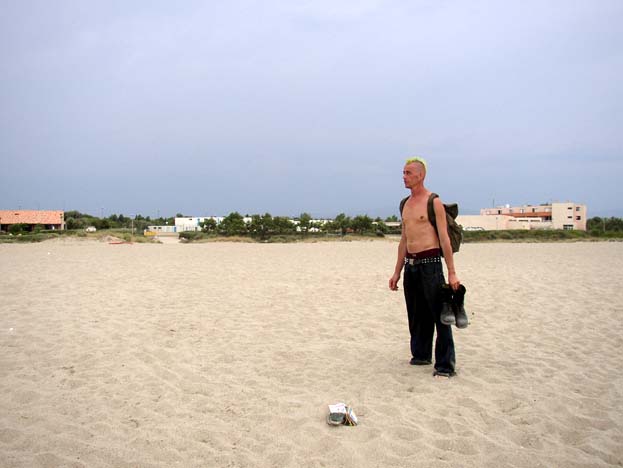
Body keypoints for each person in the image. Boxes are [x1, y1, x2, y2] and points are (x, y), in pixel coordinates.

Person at [388, 157, 460, 377]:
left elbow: (445, 239)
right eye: (403, 172)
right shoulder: (405, 204)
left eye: (408, 173)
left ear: (420, 175)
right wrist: (396, 271)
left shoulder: (433, 202)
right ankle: (421, 355)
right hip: (411, 266)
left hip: (431, 265)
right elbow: (403, 240)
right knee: (417, 314)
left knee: (440, 315)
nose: (404, 176)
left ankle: (445, 365)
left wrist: (452, 272)